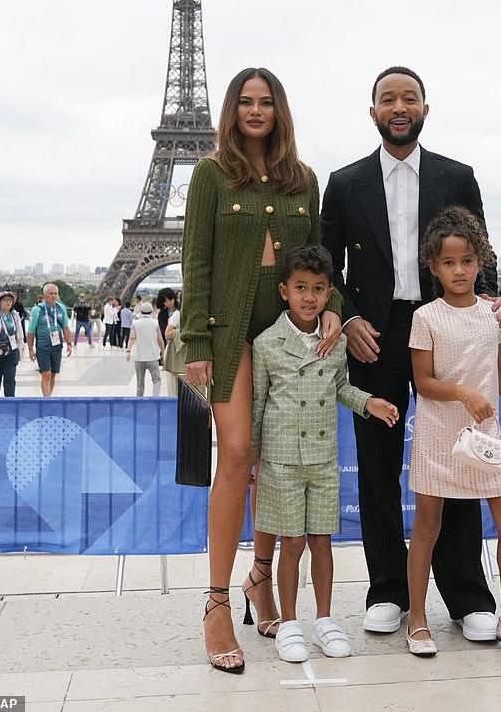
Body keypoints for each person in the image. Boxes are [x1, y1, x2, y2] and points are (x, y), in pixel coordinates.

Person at [321, 65, 501, 642]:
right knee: (377, 466)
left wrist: (492, 303)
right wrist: (348, 317)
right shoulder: (344, 181)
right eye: (387, 99)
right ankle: (387, 590)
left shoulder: (458, 175)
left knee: (458, 461)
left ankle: (467, 595)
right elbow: (328, 267)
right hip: (373, 336)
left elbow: (482, 252)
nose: (399, 106)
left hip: (445, 330)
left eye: (410, 98)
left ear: (425, 109)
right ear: (372, 111)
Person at [180, 67, 342, 674]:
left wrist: (335, 313)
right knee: (239, 454)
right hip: (226, 338)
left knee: (277, 461)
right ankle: (217, 603)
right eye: (245, 102)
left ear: (279, 110)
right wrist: (195, 339)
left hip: (288, 339)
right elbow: (195, 259)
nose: (255, 110)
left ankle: (261, 578)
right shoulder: (209, 175)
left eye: (265, 101)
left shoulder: (304, 180)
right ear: (231, 109)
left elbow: (318, 260)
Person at [406, 206, 501, 657]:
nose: (459, 270)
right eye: (449, 262)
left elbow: (498, 370)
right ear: (433, 267)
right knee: (427, 527)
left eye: (467, 261)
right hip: (438, 435)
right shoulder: (426, 317)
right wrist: (465, 395)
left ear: (480, 263)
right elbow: (423, 383)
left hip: (484, 435)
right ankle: (415, 621)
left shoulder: (493, 314)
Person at [252, 245, 398, 663]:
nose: (309, 297)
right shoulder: (267, 344)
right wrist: (252, 458)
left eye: (318, 289)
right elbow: (258, 405)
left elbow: (339, 389)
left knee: (322, 542)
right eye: (301, 288)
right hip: (281, 461)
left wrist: (369, 402)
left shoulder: (333, 343)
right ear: (284, 291)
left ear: (328, 291)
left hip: (322, 459)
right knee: (291, 544)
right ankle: (289, 622)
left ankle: (325, 618)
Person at [27, 283, 72, 396]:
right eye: (50, 293)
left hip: (57, 345)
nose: (53, 296)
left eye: (55, 293)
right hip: (43, 346)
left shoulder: (61, 308)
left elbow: (65, 327)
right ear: (44, 295)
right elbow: (31, 331)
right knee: (46, 373)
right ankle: (46, 400)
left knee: (53, 374)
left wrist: (69, 344)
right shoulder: (37, 310)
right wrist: (30, 349)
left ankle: (49, 397)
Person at [125, 301, 164, 395]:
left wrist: (128, 351)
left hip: (139, 357)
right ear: (151, 311)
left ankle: (139, 402)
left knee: (140, 383)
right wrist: (163, 352)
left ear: (141, 311)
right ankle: (155, 400)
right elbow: (160, 340)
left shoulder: (135, 323)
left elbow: (131, 338)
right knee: (156, 380)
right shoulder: (155, 323)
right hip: (152, 357)